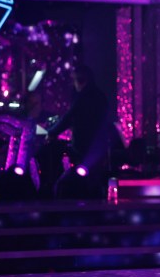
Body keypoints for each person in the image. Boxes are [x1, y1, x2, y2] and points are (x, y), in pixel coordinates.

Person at [46, 65, 111, 198]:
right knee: (95, 180)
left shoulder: (84, 96)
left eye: (75, 80)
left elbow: (69, 117)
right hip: (100, 147)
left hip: (84, 145)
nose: (74, 85)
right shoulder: (100, 96)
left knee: (83, 180)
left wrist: (52, 132)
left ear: (81, 80)